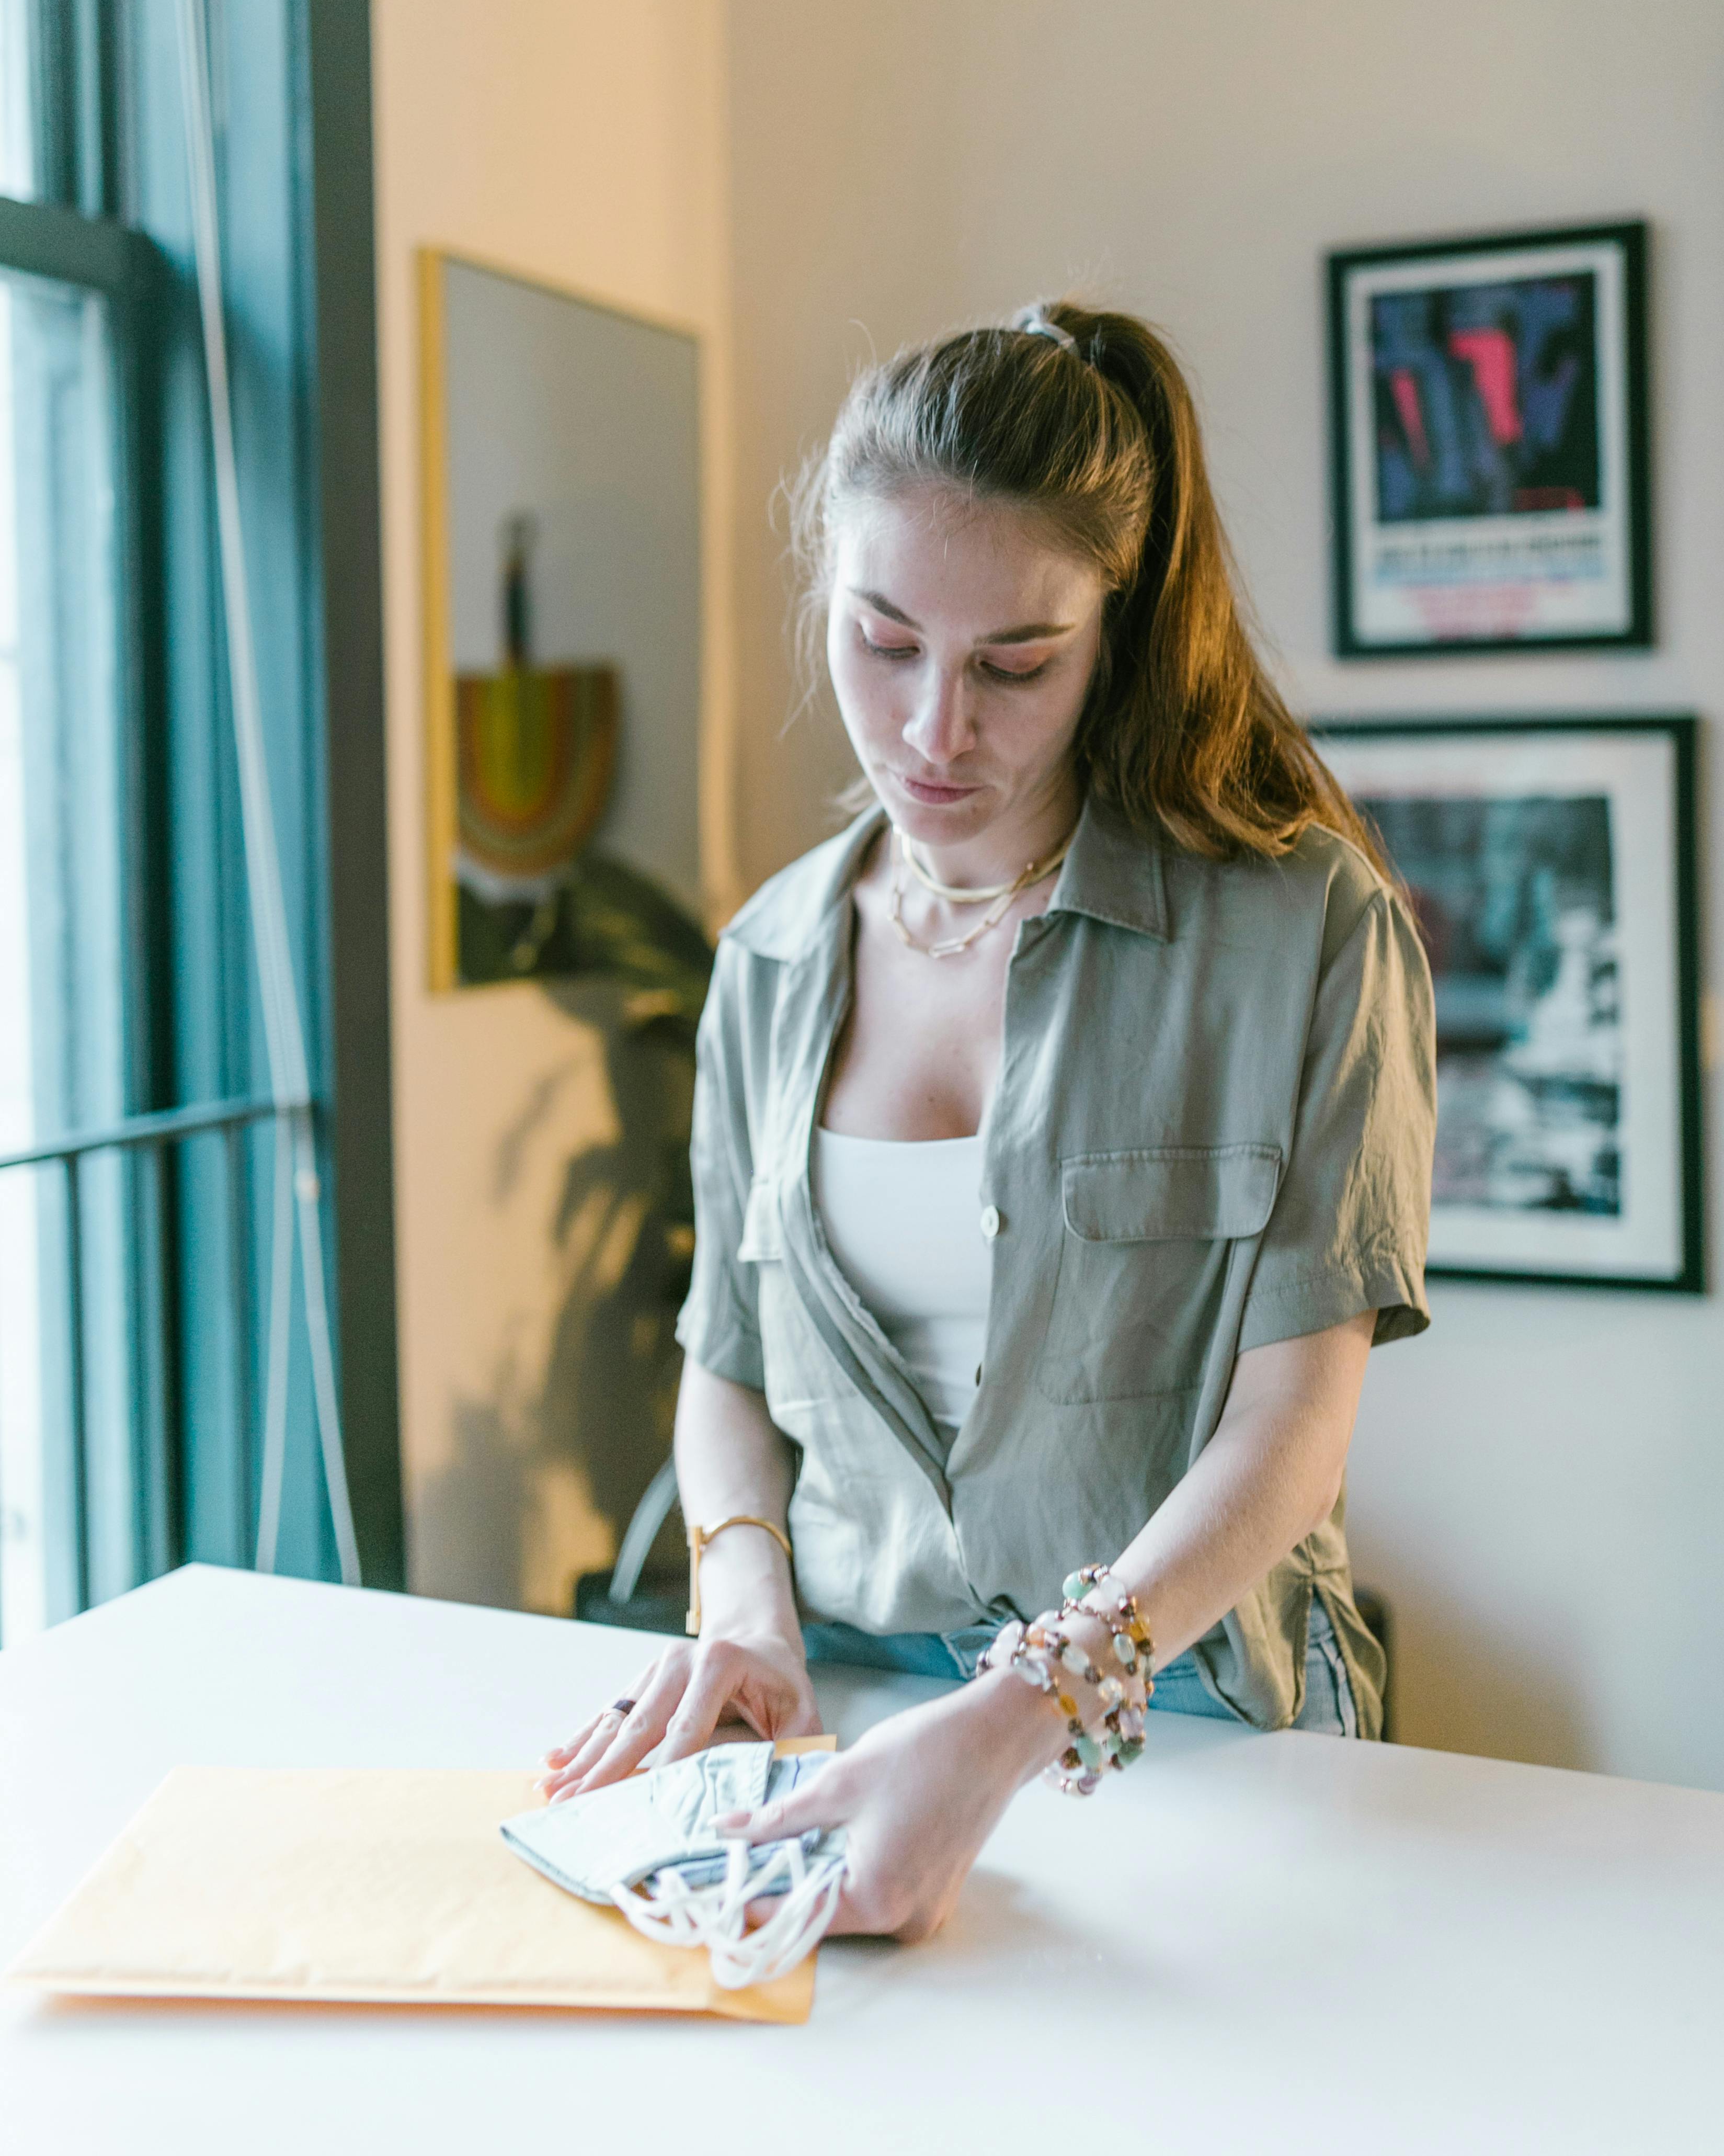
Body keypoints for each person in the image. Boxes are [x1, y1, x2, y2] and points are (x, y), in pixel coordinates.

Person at [540, 302, 1436, 1943]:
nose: (934, 731)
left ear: (1119, 633)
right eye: (882, 643)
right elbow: (727, 1362)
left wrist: (1020, 1712)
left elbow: (1289, 1429)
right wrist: (743, 1612)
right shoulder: (767, 957)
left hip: (1201, 1740)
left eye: (1013, 665)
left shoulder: (1304, 928)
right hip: (840, 1736)